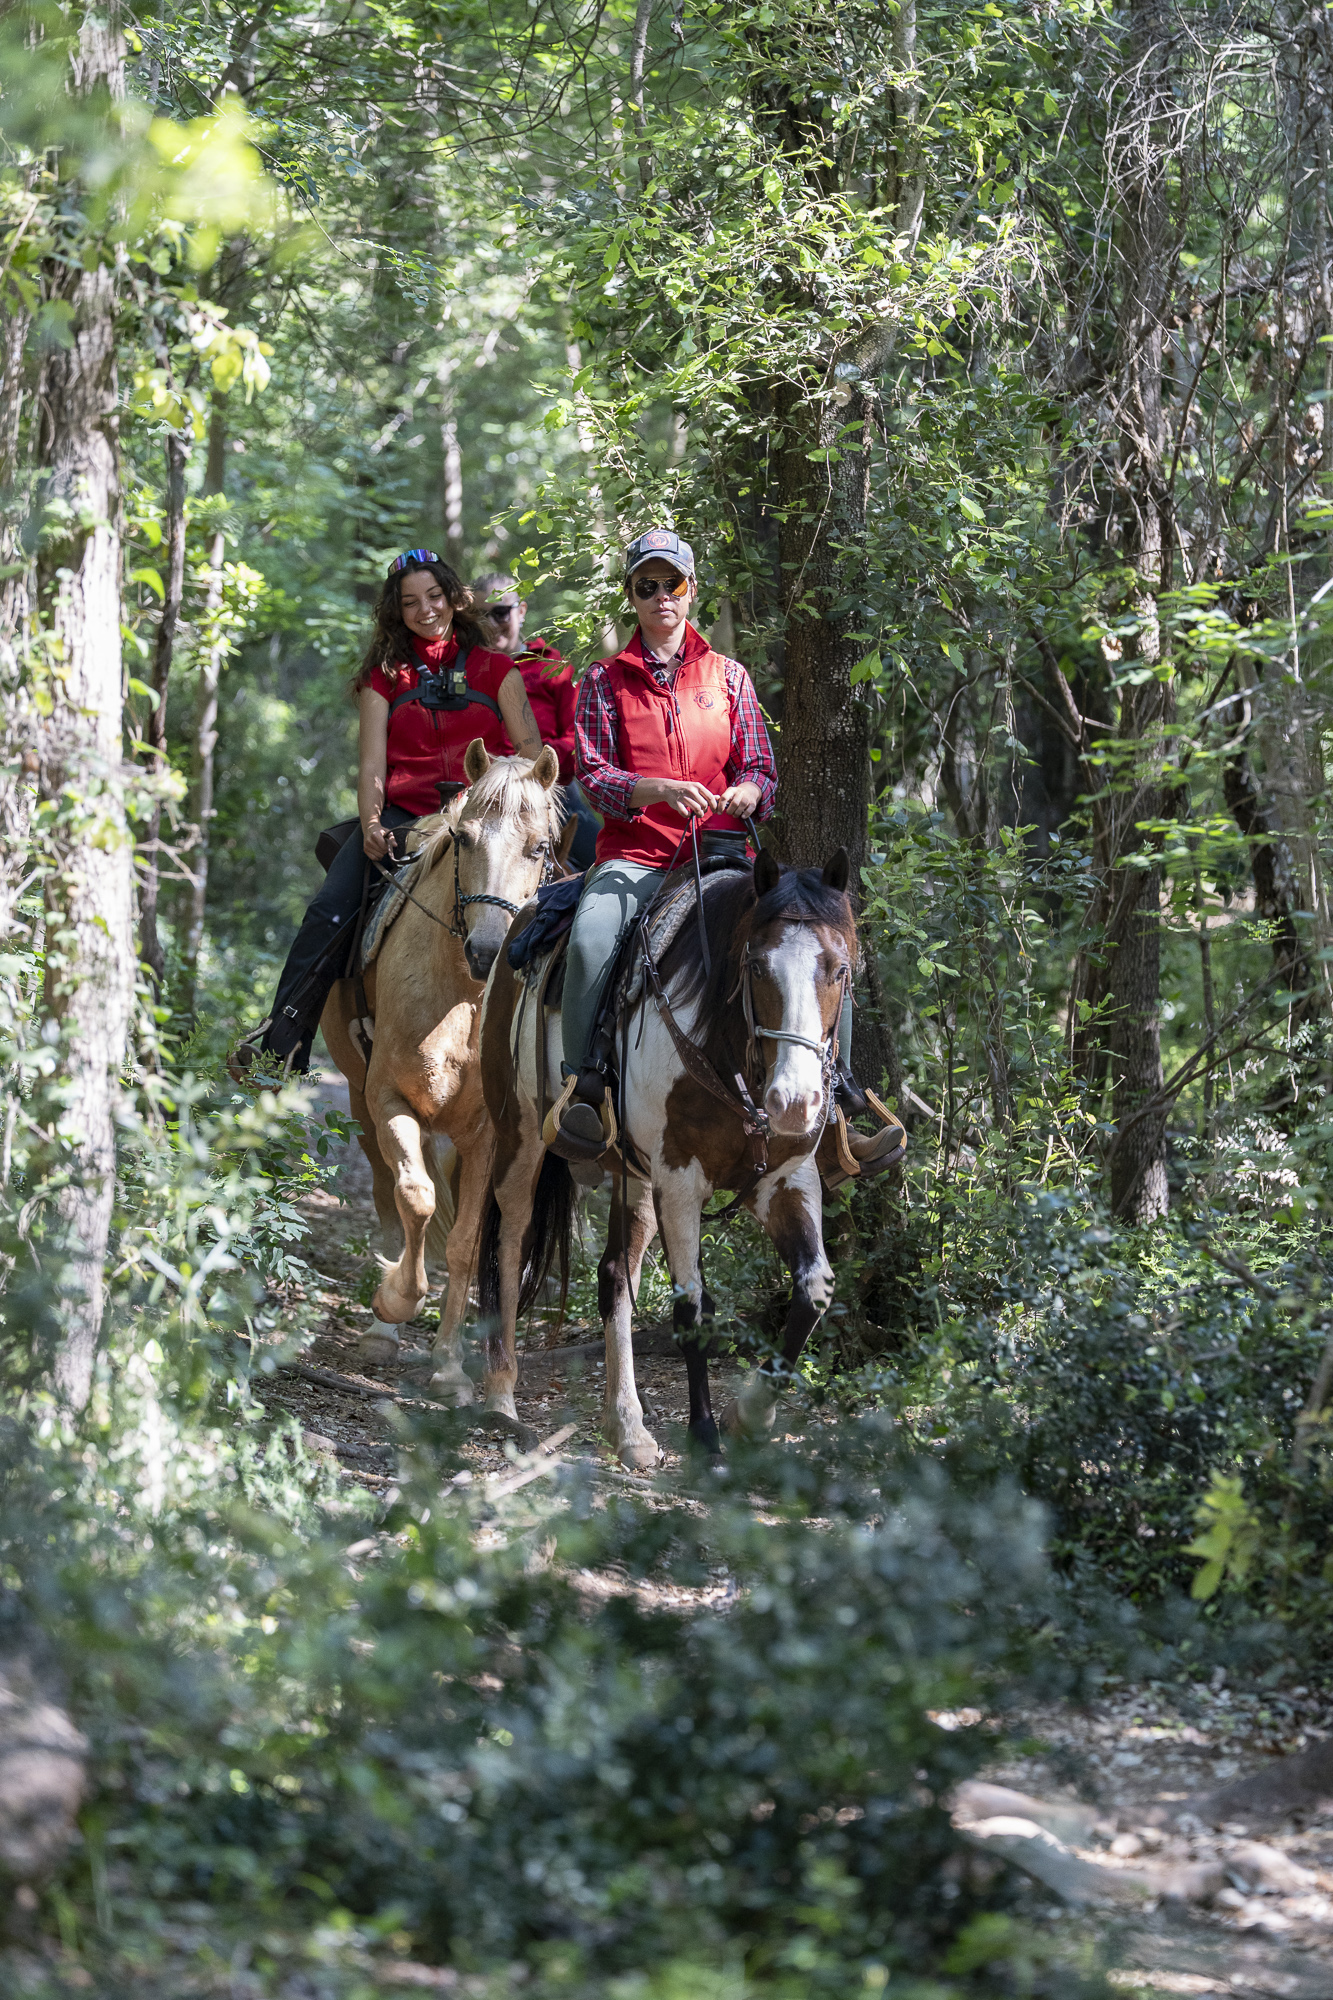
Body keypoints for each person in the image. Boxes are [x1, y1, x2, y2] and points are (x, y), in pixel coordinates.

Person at [545, 527, 904, 1178]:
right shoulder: (604, 680)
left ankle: (844, 1099)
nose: (661, 597)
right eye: (646, 586)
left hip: (721, 857)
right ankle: (585, 1090)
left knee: (819, 946)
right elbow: (592, 775)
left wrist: (745, 791)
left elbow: (762, 772)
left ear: (691, 591)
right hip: (637, 857)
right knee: (590, 942)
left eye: (672, 584)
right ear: (631, 596)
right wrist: (648, 788)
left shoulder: (729, 678)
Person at [230, 548, 544, 1079]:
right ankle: (279, 1041)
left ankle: (570, 1064)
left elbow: (533, 754)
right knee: (328, 909)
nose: (425, 611)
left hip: (485, 821)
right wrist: (372, 823)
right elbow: (372, 765)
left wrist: (501, 804)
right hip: (404, 817)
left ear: (453, 598)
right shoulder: (384, 679)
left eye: (434, 597)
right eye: (410, 603)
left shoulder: (498, 670)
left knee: (572, 885)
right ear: (396, 612)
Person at [469, 571, 599, 871]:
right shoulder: (466, 672)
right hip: (484, 793)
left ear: (521, 611)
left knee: (603, 859)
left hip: (550, 790)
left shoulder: (551, 665)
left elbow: (575, 739)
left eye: (500, 613)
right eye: (481, 616)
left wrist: (535, 762)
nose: (491, 624)